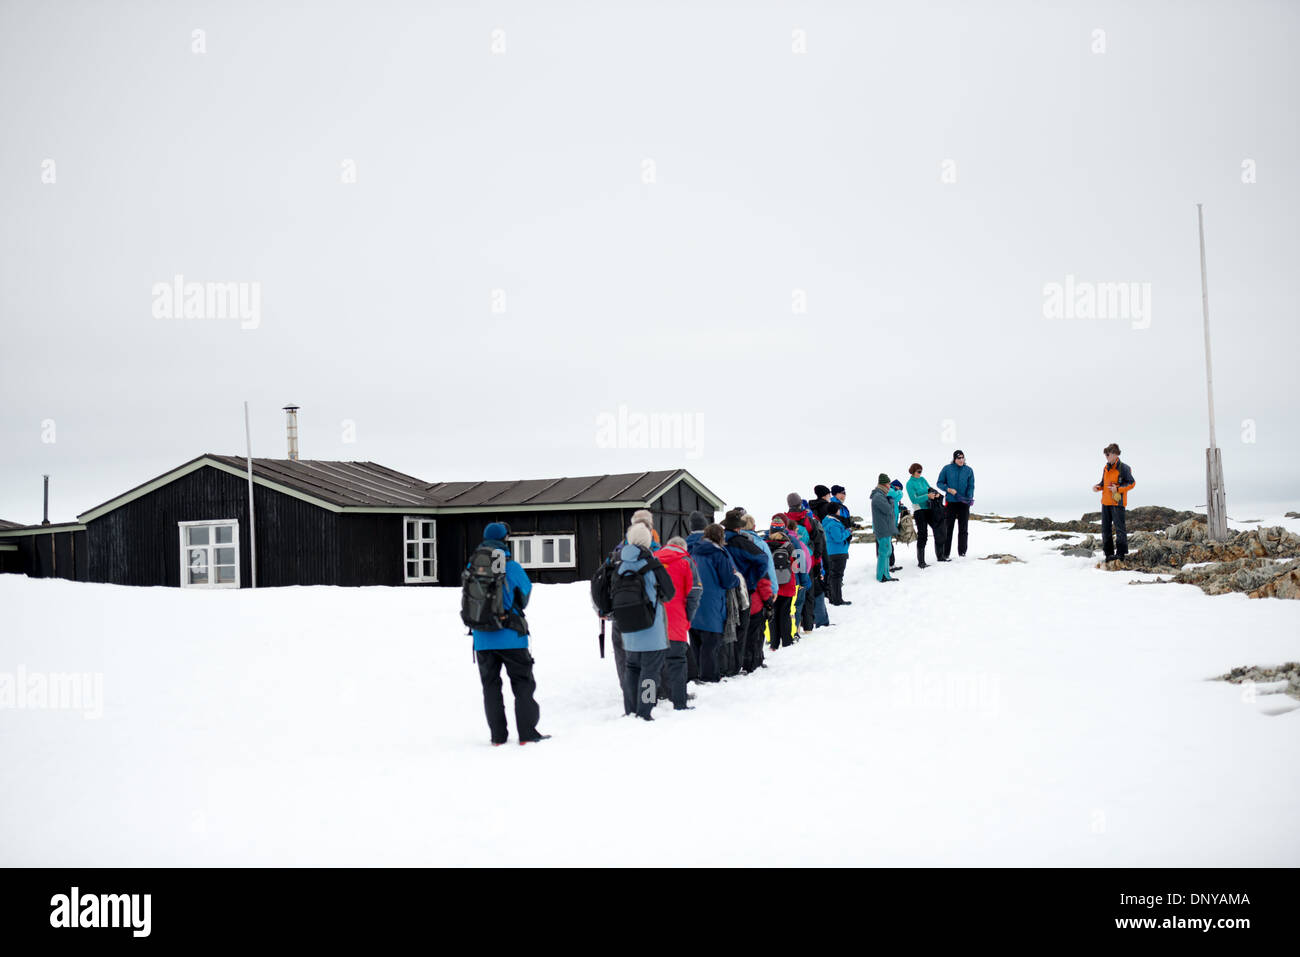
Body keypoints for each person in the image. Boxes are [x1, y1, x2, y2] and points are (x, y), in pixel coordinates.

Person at [467, 521, 549, 745]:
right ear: (505, 540)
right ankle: (527, 733)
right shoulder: (511, 567)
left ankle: (498, 737)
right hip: (511, 636)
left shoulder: (472, 565)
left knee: (491, 687)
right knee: (523, 684)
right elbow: (524, 595)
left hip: (482, 638)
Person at [614, 523, 675, 720]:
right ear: (648, 541)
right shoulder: (653, 564)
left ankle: (630, 709)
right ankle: (645, 710)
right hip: (652, 627)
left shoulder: (619, 565)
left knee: (631, 668)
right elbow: (670, 592)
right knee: (650, 671)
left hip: (628, 628)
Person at [604, 510, 661, 698]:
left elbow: (602, 581)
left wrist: (605, 608)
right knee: (650, 657)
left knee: (623, 656)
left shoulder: (617, 553)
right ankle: (650, 696)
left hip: (620, 612)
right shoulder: (655, 552)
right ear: (650, 527)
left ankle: (629, 693)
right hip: (648, 614)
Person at [723, 509, 773, 674]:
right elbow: (762, 560)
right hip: (747, 593)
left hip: (725, 593)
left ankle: (731, 665)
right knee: (752, 631)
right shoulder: (741, 543)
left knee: (732, 631)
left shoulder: (719, 543)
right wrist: (751, 580)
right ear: (738, 528)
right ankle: (751, 663)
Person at [687, 522, 737, 683]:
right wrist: (737, 578)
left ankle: (697, 673)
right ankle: (709, 677)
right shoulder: (718, 554)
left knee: (696, 640)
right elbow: (728, 581)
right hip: (713, 602)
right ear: (720, 537)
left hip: (694, 602)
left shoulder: (693, 551)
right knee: (711, 642)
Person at [656, 536, 701, 709]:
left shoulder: (652, 559)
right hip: (676, 618)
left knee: (651, 664)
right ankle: (679, 702)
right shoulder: (686, 561)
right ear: (683, 548)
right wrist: (687, 616)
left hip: (653, 621)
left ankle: (650, 699)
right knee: (677, 661)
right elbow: (695, 592)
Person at [784, 493, 827, 633]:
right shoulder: (809, 520)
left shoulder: (784, 520)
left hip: (789, 562)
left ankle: (793, 626)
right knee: (808, 594)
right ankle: (808, 626)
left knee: (792, 595)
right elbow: (818, 542)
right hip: (808, 561)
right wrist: (816, 560)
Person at [1093, 442, 1136, 562]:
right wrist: (1098, 487)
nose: (1106, 457)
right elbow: (1103, 483)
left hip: (1118, 503)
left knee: (1119, 529)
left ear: (1115, 454)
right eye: (1105, 454)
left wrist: (1118, 489)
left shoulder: (1124, 468)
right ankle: (1108, 554)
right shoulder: (1106, 468)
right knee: (1105, 529)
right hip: (1105, 502)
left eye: (1107, 454)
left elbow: (1131, 483)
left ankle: (1121, 554)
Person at [764, 520, 799, 651]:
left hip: (771, 586)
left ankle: (773, 644)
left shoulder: (765, 545)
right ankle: (787, 642)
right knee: (785, 614)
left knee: (772, 615)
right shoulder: (789, 546)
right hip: (788, 585)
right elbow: (797, 567)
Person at [905, 463, 947, 566]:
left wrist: (935, 494)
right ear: (913, 471)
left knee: (939, 529)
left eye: (921, 471)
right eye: (918, 471)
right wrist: (927, 496)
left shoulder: (922, 479)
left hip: (930, 508)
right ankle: (921, 562)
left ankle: (940, 556)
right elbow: (914, 499)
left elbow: (929, 488)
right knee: (923, 534)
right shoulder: (909, 483)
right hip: (919, 510)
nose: (920, 473)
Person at [937, 450, 975, 558]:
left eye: (963, 458)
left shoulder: (968, 470)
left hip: (964, 503)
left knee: (963, 529)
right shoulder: (947, 469)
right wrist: (948, 489)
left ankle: (962, 553)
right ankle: (945, 553)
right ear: (954, 459)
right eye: (959, 458)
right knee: (948, 528)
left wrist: (969, 497)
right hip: (951, 502)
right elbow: (939, 483)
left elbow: (971, 485)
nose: (961, 460)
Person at [821, 502, 852, 605]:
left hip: (831, 552)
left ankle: (832, 597)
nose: (839, 511)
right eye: (838, 509)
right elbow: (838, 538)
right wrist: (848, 532)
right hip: (838, 552)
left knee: (832, 576)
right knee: (837, 576)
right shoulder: (833, 523)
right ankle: (837, 600)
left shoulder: (826, 521)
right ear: (835, 510)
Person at [870, 476, 899, 582]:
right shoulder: (878, 496)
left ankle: (886, 574)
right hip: (882, 528)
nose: (889, 486)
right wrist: (891, 501)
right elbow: (888, 510)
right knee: (884, 552)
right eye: (888, 484)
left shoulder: (881, 495)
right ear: (883, 484)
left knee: (887, 551)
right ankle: (881, 575)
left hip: (885, 528)